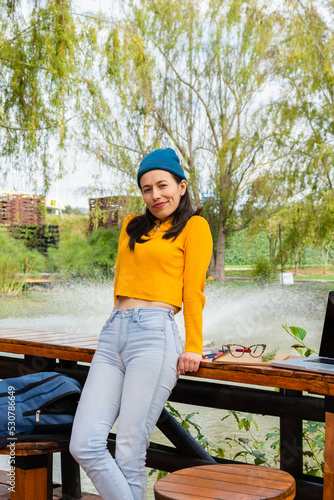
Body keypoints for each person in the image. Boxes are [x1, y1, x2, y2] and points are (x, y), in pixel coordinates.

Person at [69, 148, 213, 500]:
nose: (155, 195)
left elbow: (193, 292)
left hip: (154, 334)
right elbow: (122, 284)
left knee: (130, 451)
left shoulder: (195, 226)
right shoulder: (132, 225)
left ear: (181, 186)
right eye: (147, 188)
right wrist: (118, 323)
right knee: (84, 444)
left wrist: (193, 345)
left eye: (162, 185)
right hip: (113, 333)